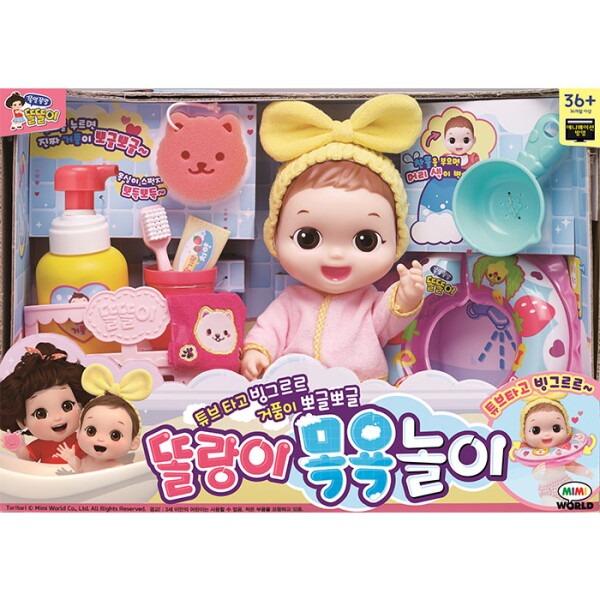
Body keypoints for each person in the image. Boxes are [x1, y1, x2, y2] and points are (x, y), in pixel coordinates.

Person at [241, 95, 425, 381]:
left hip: (361, 390)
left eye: (365, 240)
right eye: (308, 238)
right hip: (297, 389)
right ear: (274, 236)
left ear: (397, 240)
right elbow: (269, 330)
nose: (336, 254)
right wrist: (257, 353)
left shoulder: (370, 304)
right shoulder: (292, 301)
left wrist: (406, 296)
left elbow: (389, 319)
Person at [0, 342, 93, 463]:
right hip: (46, 475)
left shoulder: (82, 438)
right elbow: (28, 458)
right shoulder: (39, 445)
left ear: (80, 406)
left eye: (67, 406)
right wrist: (19, 448)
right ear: (23, 422)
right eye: (41, 414)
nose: (58, 418)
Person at [54, 363, 152, 473]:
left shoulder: (117, 469)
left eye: (115, 435)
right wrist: (71, 458)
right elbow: (79, 467)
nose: (100, 439)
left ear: (133, 443)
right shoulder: (86, 461)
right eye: (91, 431)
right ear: (78, 432)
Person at [520, 394, 593, 506]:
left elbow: (571, 466)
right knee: (550, 503)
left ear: (567, 429)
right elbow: (535, 475)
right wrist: (538, 473)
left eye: (556, 428)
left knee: (579, 500)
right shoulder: (536, 458)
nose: (546, 434)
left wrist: (584, 471)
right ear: (524, 434)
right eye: (536, 430)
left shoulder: (563, 455)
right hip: (547, 489)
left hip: (565, 483)